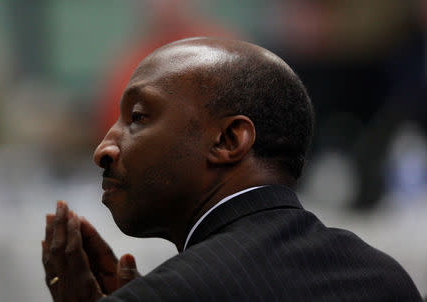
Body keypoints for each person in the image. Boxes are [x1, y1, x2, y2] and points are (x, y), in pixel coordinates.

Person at [42, 37, 423, 301]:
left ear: (228, 141)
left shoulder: (171, 293)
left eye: (138, 117)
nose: (103, 150)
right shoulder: (384, 279)